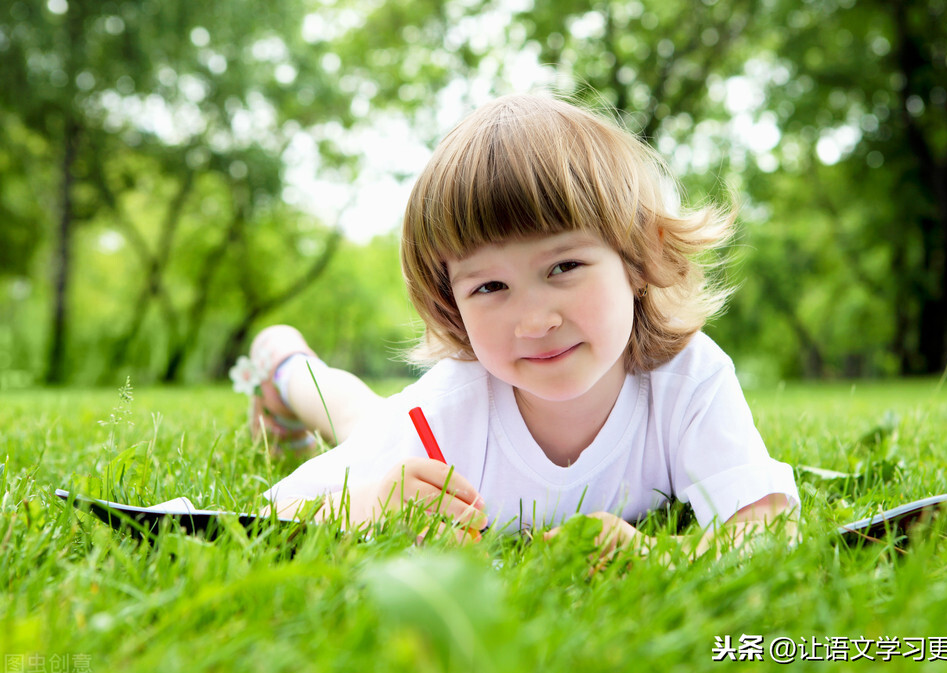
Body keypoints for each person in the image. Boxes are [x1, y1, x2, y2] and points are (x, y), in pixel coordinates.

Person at [232, 93, 800, 560]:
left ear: (641, 257)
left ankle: (285, 363)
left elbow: (768, 526)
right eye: (489, 288)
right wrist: (371, 507)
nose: (535, 322)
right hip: (419, 421)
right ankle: (283, 365)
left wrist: (662, 557)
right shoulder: (447, 410)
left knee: (362, 414)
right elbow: (263, 517)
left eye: (564, 267)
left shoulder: (688, 378)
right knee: (359, 420)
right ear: (450, 302)